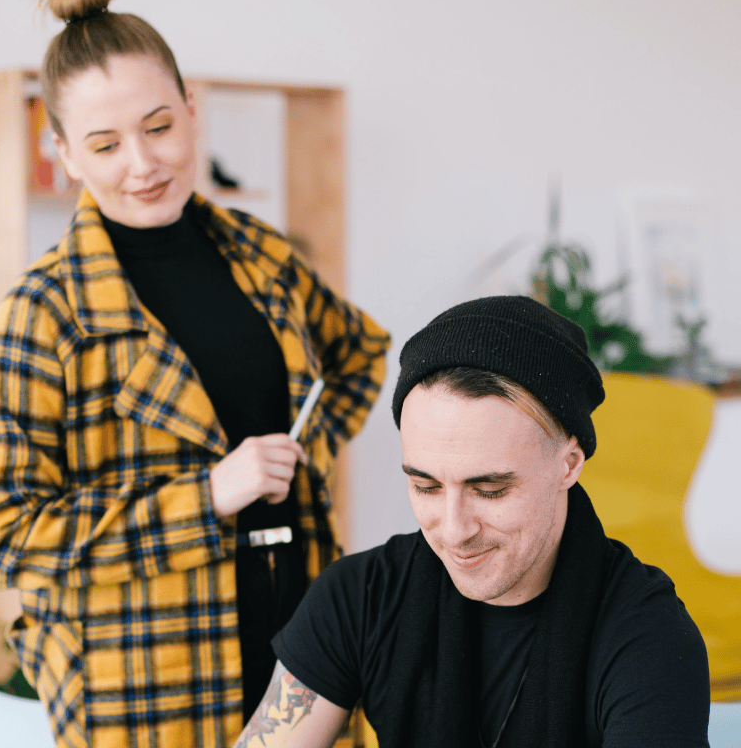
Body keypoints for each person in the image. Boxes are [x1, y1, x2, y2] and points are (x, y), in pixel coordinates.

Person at [0, 0, 390, 748]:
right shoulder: (42, 313)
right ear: (63, 152)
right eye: (104, 145)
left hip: (302, 650)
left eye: (159, 126)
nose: (143, 164)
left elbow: (358, 353)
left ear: (192, 107)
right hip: (140, 686)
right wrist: (206, 498)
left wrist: (300, 459)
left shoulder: (258, 252)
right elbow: (3, 537)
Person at [234, 295, 711, 748]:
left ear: (568, 465)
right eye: (426, 487)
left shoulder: (649, 635)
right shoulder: (359, 597)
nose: (454, 530)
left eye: (490, 490)